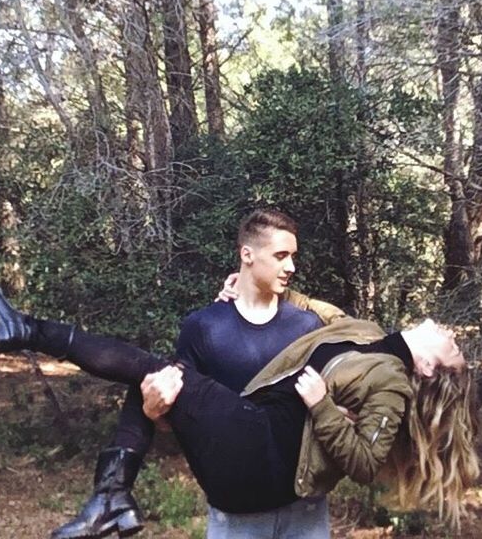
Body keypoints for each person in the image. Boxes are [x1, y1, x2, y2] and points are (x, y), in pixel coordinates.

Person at [0, 287, 478, 533]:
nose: (449, 330)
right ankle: (112, 495)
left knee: (159, 371)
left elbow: (366, 464)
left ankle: (29, 331)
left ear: (431, 369)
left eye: (452, 345)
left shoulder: (392, 380)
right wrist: (251, 290)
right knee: (155, 379)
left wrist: (322, 406)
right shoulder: (367, 335)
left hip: (257, 453)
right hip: (251, 445)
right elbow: (316, 307)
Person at [40, 208, 346, 539]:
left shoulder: (306, 326)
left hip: (306, 511)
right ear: (247, 254)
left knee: (151, 366)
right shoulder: (205, 327)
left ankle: (111, 495)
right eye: (281, 256)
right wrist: (152, 411)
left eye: (293, 256)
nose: (291, 267)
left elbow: (332, 406)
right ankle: (111, 495)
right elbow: (180, 419)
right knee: (154, 374)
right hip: (236, 516)